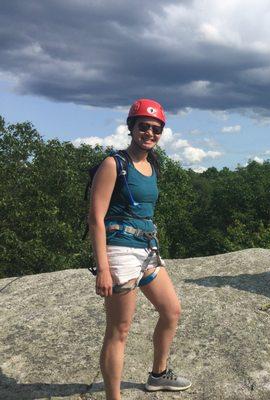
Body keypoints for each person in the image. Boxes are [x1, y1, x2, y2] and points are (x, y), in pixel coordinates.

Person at [89, 98, 191, 399]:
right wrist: (103, 269)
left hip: (147, 249)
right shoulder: (114, 164)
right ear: (131, 127)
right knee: (119, 331)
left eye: (156, 129)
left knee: (171, 310)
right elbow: (95, 218)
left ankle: (158, 375)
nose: (150, 133)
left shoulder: (151, 165)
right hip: (120, 252)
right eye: (144, 126)